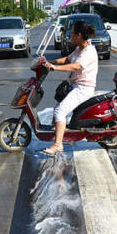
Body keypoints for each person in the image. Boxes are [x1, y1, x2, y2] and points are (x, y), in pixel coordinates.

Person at [41, 21, 98, 156]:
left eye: (72, 33)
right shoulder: (80, 49)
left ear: (79, 35)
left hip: (83, 88)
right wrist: (49, 62)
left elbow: (76, 66)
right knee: (57, 109)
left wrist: (55, 68)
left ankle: (58, 145)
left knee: (60, 111)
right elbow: (67, 59)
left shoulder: (89, 51)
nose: (70, 35)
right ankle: (57, 134)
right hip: (75, 85)